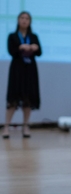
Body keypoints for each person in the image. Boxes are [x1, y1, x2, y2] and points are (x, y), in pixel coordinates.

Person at [3, 11, 42, 139]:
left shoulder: (33, 36)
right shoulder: (13, 36)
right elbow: (11, 51)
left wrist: (34, 47)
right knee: (13, 99)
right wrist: (20, 47)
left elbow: (39, 52)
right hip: (17, 70)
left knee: (28, 99)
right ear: (18, 20)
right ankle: (6, 127)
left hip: (30, 70)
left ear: (30, 21)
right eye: (22, 18)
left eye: (27, 18)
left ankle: (26, 126)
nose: (24, 20)